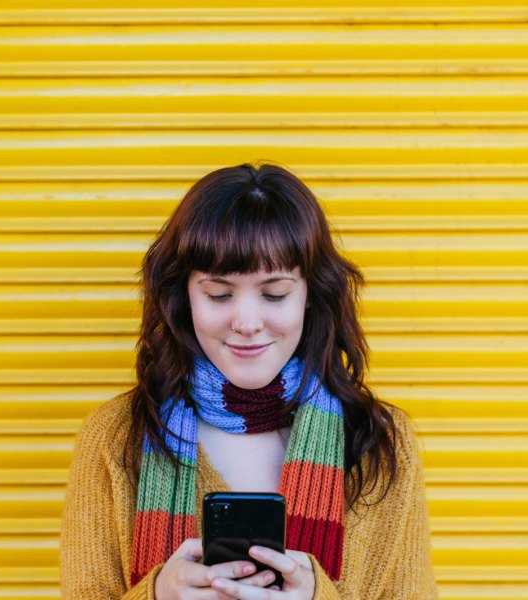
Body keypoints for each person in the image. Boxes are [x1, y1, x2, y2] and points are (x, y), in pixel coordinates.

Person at [60, 162, 438, 599]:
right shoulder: (114, 439)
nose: (246, 322)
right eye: (219, 294)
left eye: (274, 294)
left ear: (311, 295)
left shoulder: (378, 445)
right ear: (183, 296)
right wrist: (157, 594)